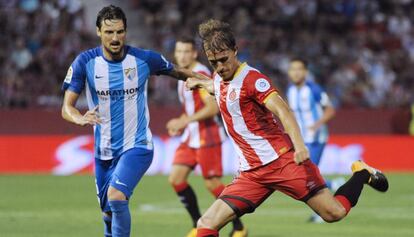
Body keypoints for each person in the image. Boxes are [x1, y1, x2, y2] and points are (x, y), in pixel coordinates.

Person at [185, 19, 389, 237]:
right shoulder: (218, 77)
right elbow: (222, 88)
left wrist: (299, 146)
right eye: (214, 62)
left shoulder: (253, 80)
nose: (220, 67)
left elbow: (284, 111)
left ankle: (362, 173)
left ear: (236, 51)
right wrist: (203, 83)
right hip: (251, 172)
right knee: (206, 224)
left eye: (224, 60)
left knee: (333, 213)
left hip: (283, 162)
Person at [61, 5, 206, 237]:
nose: (115, 38)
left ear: (126, 31)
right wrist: (79, 118)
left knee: (117, 197)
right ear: (99, 32)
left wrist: (210, 83)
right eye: (109, 32)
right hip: (104, 152)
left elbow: (177, 71)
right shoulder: (84, 62)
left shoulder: (143, 59)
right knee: (108, 214)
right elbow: (66, 107)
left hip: (137, 146)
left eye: (119, 31)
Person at [166, 37, 246, 237]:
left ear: (194, 54)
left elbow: (212, 108)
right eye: (179, 51)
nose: (182, 55)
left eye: (186, 52)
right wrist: (179, 121)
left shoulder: (200, 74)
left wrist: (184, 121)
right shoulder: (182, 76)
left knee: (212, 183)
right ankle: (196, 223)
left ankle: (239, 228)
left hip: (207, 136)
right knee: (176, 179)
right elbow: (193, 108)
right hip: (190, 137)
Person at [286, 58, 344, 223]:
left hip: (316, 138)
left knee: (309, 176)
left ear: (305, 72)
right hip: (301, 139)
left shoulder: (314, 90)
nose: (296, 72)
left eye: (299, 69)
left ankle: (323, 211)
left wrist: (316, 125)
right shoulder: (290, 90)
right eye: (292, 69)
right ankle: (333, 185)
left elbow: (330, 110)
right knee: (305, 175)